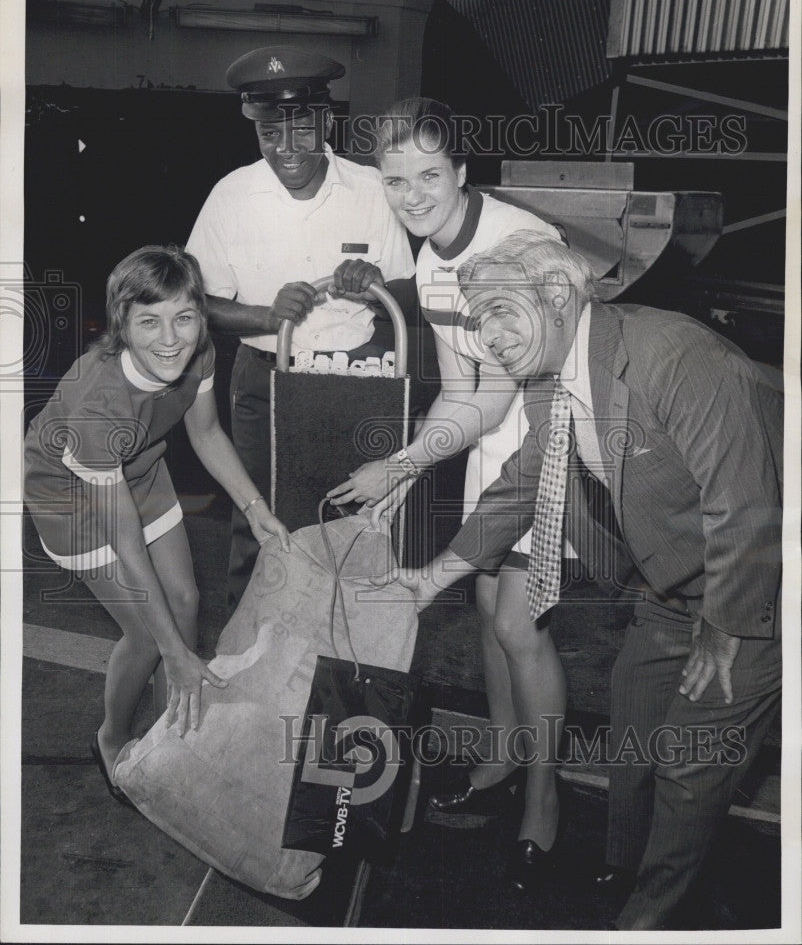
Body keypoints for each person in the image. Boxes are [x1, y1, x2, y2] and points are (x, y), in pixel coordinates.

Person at [383, 233, 783, 930]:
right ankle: (626, 865)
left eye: (503, 312)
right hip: (674, 583)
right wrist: (432, 579)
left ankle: (650, 917)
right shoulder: (551, 382)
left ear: (560, 295)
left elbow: (746, 506)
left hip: (759, 587)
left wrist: (723, 635)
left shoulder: (675, 358)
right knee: (634, 709)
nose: (490, 336)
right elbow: (521, 485)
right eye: (479, 321)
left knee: (689, 763)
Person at [326, 97, 569, 886]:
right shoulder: (428, 257)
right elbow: (458, 388)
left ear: (462, 172)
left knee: (518, 621)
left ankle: (545, 799)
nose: (414, 194)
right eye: (396, 180)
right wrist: (407, 467)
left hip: (547, 437)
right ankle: (501, 757)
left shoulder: (516, 243)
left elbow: (499, 397)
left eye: (430, 174)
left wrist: (398, 467)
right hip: (486, 444)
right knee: (485, 612)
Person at [23, 246, 290, 808]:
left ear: (200, 316)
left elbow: (208, 434)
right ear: (122, 326)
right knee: (150, 633)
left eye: (184, 318)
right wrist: (174, 651)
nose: (171, 338)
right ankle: (113, 739)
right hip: (69, 495)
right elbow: (125, 541)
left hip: (138, 466)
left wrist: (254, 506)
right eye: (149, 322)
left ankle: (174, 738)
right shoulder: (98, 402)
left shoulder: (199, 351)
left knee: (186, 600)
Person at [185, 46, 414, 611]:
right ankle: (252, 657)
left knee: (351, 521)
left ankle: (342, 663)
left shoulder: (371, 190)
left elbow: (411, 299)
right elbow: (196, 304)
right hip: (262, 381)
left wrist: (377, 286)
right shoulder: (231, 196)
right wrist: (266, 317)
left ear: (326, 121)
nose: (284, 150)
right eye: (268, 135)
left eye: (299, 131)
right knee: (258, 516)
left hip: (356, 380)